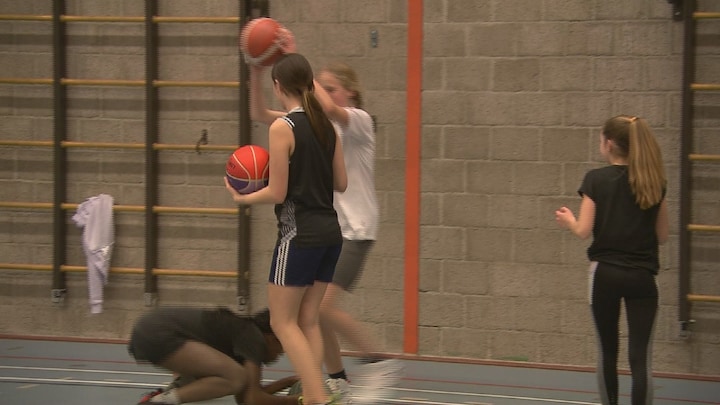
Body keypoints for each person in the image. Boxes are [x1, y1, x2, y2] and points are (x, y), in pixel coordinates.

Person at [225, 52, 348, 405]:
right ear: (310, 84)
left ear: (278, 87)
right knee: (307, 319)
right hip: (330, 234)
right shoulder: (328, 126)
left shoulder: (283, 128)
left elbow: (277, 192)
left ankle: (317, 399)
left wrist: (242, 197)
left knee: (282, 323)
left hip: (299, 235)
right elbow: (341, 183)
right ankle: (315, 395)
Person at [555, 115, 669, 405]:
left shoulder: (596, 179)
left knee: (607, 351)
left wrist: (569, 220)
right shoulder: (654, 183)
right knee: (640, 358)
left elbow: (583, 231)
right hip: (642, 278)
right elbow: (664, 235)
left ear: (608, 144)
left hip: (604, 274)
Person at [312, 62, 403, 402]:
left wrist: (297, 66)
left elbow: (331, 107)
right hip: (332, 232)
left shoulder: (361, 121)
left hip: (357, 230)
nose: (323, 93)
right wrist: (257, 70)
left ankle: (379, 360)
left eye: (330, 87)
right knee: (314, 310)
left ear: (350, 92)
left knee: (321, 308)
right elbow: (262, 113)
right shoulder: (322, 129)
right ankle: (338, 381)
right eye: (320, 87)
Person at [128, 307, 300, 405]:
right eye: (282, 346)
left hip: (149, 330)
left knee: (213, 381)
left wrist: (288, 382)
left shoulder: (244, 336)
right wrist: (300, 401)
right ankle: (160, 402)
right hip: (159, 332)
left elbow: (246, 396)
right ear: (272, 337)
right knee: (235, 376)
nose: (282, 353)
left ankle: (160, 398)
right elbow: (252, 399)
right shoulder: (253, 338)